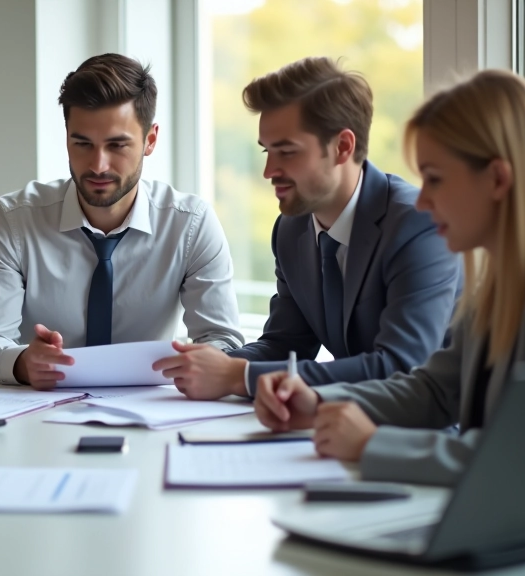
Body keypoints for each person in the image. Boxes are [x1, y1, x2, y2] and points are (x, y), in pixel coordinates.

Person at [253, 69, 525, 532]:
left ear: (498, 179)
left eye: (435, 179)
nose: (421, 202)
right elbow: (435, 389)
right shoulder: (503, 282)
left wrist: (372, 446)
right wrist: (318, 403)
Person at [154, 57, 461, 400]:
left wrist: (239, 376)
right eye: (267, 151)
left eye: (286, 152)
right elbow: (287, 344)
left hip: (436, 435)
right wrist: (215, 363)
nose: (269, 171)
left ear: (343, 147)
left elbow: (401, 366)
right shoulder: (291, 229)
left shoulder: (418, 225)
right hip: (345, 422)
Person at [0, 53, 243, 388]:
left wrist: (200, 365)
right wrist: (22, 362)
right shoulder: (12, 220)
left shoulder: (191, 225)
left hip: (153, 412)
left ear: (150, 140)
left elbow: (223, 341)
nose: (98, 165)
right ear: (66, 138)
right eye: (83, 144)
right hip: (37, 412)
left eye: (117, 145)